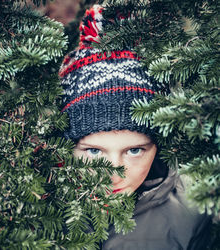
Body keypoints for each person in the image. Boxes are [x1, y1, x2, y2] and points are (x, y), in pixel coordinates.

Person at [59, 5, 212, 250]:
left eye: (134, 151)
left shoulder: (192, 208)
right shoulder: (33, 204)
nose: (114, 174)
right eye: (94, 151)